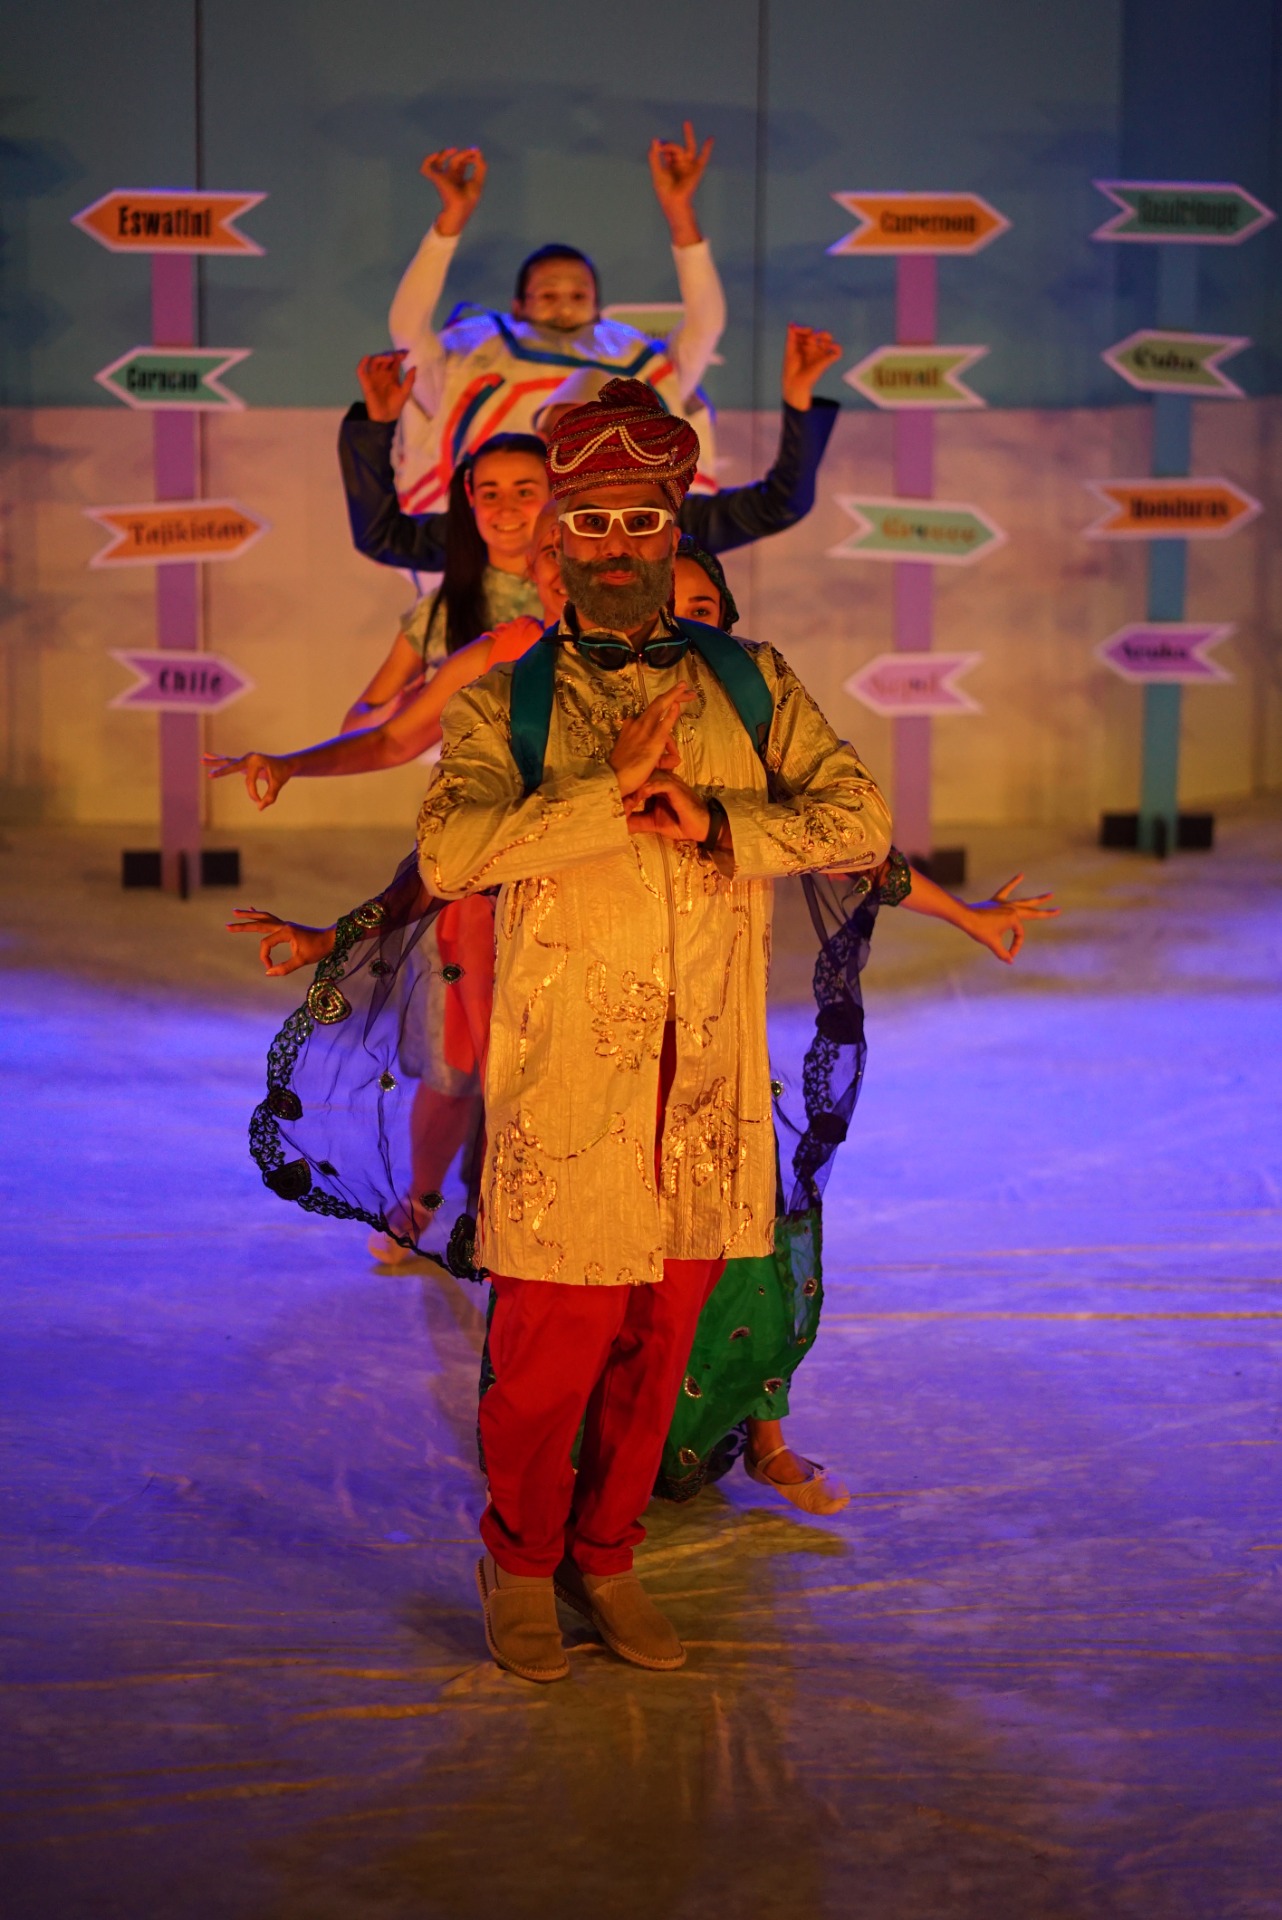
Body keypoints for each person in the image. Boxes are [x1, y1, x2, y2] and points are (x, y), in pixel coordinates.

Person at [388, 126, 724, 512]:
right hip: (490, 537)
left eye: (579, 296)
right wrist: (450, 222)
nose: (564, 307)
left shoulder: (638, 360)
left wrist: (680, 213)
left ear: (598, 307)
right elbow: (407, 328)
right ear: (517, 306)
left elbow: (707, 325)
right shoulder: (471, 355)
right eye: (547, 295)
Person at [339, 322, 843, 577]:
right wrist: (377, 426)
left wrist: (798, 399)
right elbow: (384, 537)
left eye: (594, 433)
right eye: (564, 436)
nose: (580, 448)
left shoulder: (658, 517)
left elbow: (780, 504)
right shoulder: (498, 524)